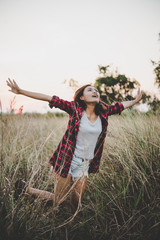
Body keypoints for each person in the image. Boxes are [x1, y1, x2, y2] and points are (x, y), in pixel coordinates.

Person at [6, 78, 142, 213]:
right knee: (60, 200)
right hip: (67, 159)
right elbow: (49, 98)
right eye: (90, 90)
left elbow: (120, 106)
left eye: (96, 90)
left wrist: (135, 101)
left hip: (84, 163)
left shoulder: (104, 112)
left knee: (76, 203)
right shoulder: (75, 109)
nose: (95, 91)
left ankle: (74, 223)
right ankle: (25, 189)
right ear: (82, 97)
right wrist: (21, 91)